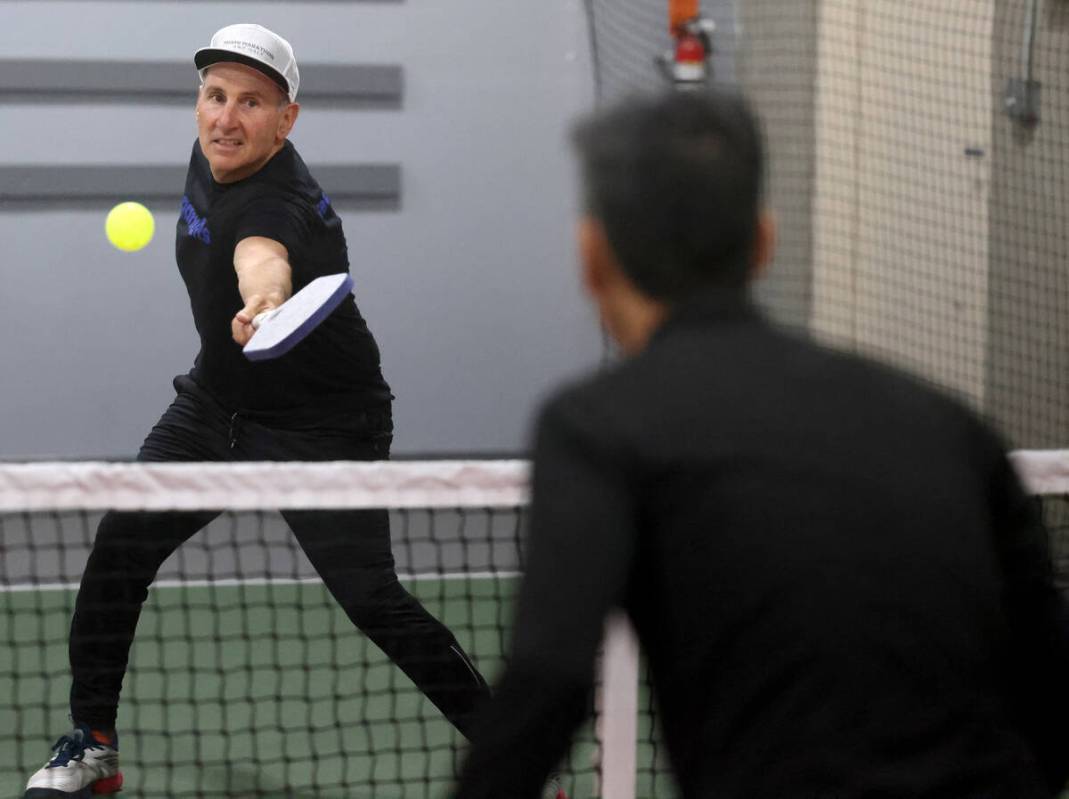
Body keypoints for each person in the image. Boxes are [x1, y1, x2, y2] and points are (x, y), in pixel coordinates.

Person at [454, 90, 1069, 799]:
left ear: (591, 256)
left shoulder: (597, 425)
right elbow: (1050, 678)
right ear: (763, 244)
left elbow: (549, 678)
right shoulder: (948, 422)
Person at [24, 24, 491, 798]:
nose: (226, 118)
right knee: (121, 545)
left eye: (252, 102)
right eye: (215, 96)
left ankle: (512, 753)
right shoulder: (215, 150)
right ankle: (94, 743)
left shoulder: (281, 200)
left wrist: (265, 302)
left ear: (288, 119)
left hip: (325, 429)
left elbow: (261, 256)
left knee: (374, 601)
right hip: (216, 405)